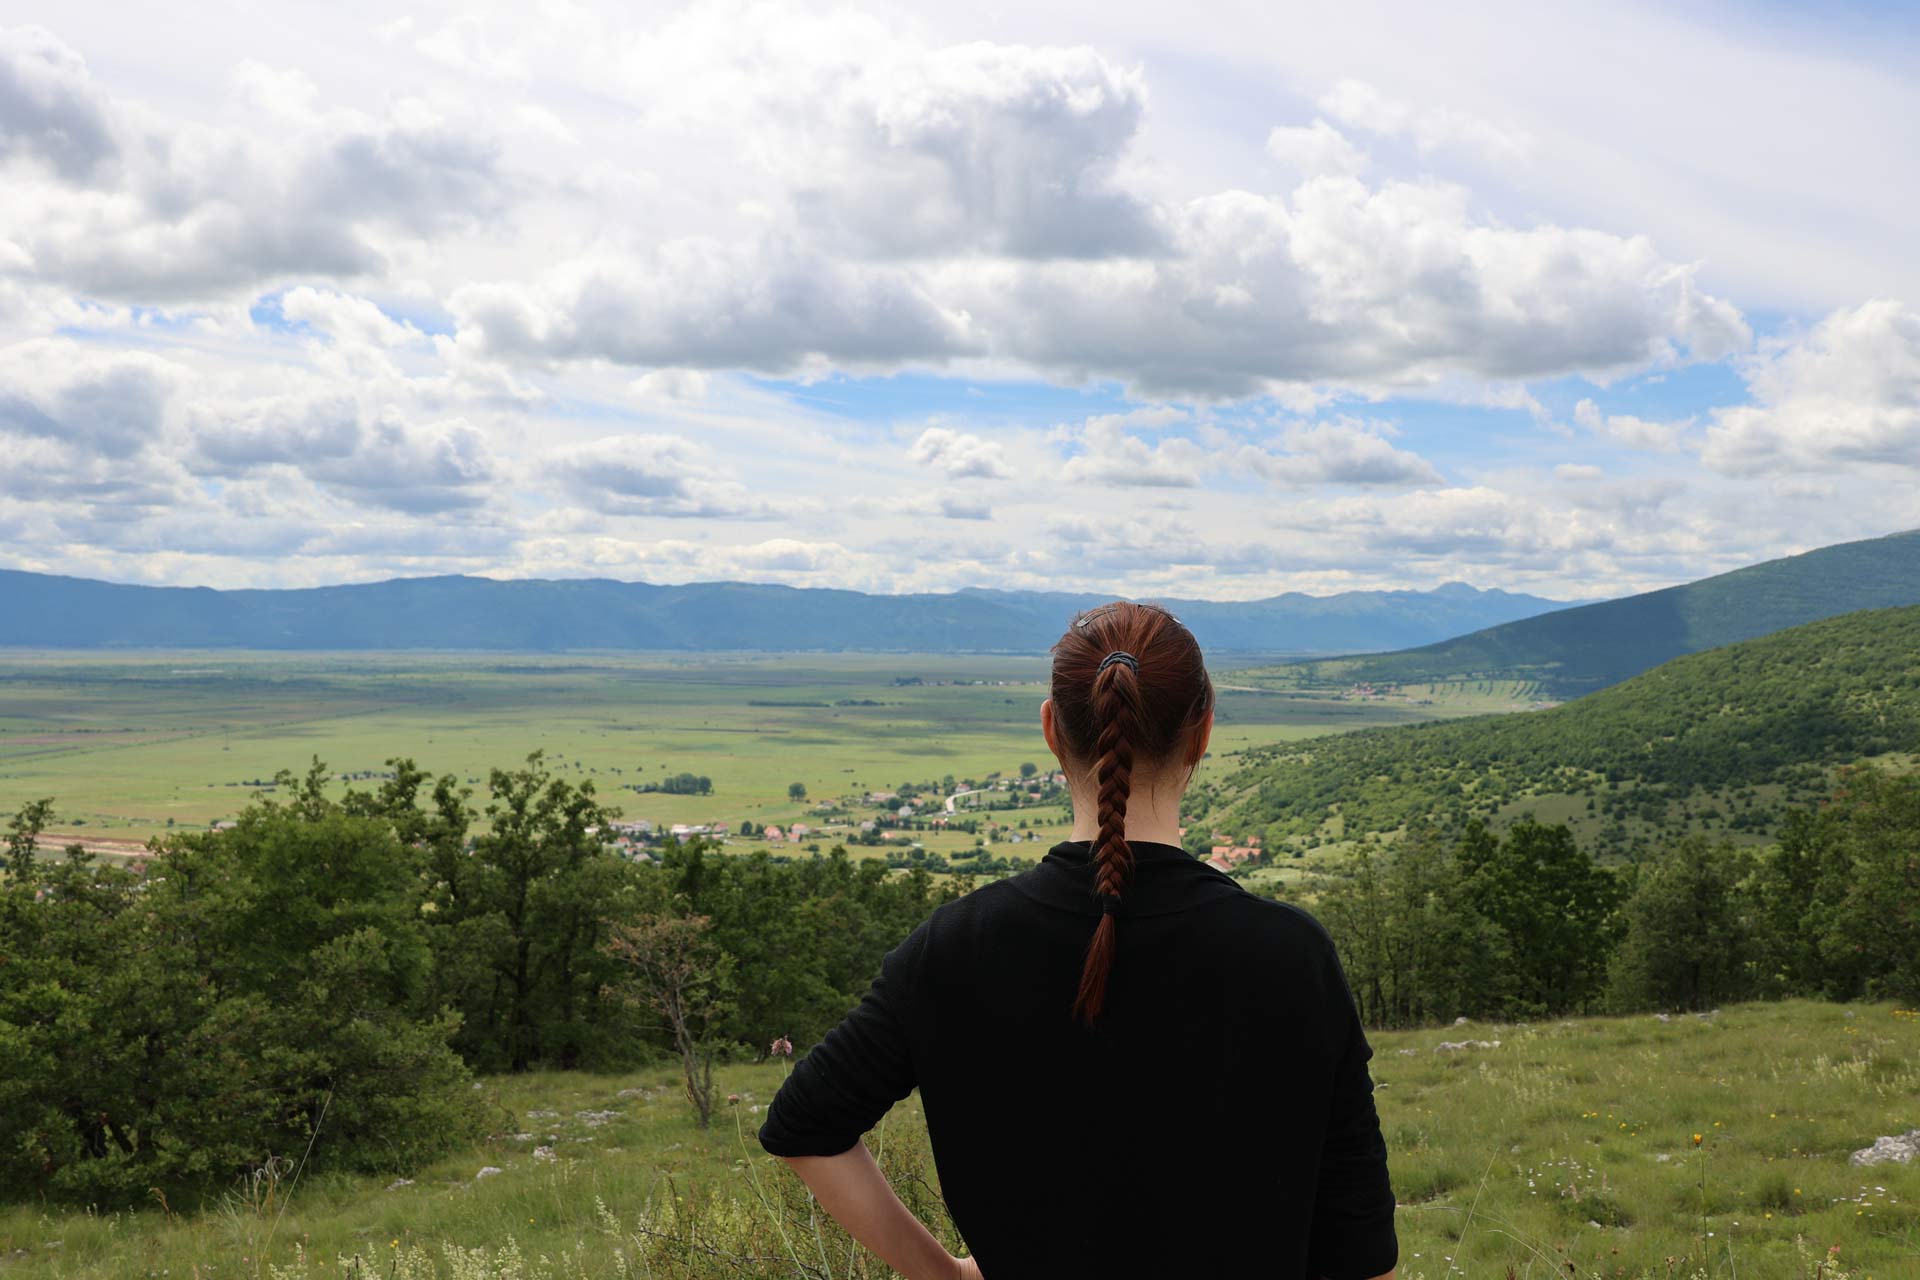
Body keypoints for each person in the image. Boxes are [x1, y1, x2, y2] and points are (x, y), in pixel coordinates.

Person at [757, 601, 1398, 1279]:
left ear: (1049, 729)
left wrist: (942, 1274)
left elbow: (806, 1126)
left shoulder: (955, 947)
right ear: (1202, 733)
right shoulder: (1291, 955)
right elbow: (1362, 1253)